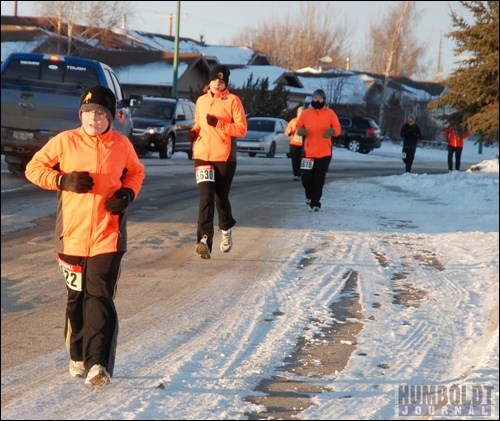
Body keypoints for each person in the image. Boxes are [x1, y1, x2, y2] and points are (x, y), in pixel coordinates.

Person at [25, 85, 145, 386]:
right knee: (76, 298)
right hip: (71, 236)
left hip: (109, 235)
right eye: (89, 112)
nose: (94, 118)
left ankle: (98, 365)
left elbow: (136, 173)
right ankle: (77, 354)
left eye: (101, 113)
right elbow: (33, 168)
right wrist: (62, 179)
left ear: (111, 118)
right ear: (81, 114)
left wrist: (128, 194)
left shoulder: (122, 145)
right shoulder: (65, 142)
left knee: (100, 297)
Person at [189, 65, 247, 259]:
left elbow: (241, 129)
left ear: (226, 83)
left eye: (222, 81)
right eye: (215, 79)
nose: (218, 83)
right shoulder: (201, 100)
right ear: (210, 80)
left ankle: (226, 227)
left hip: (225, 156)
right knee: (206, 196)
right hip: (203, 154)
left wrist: (219, 124)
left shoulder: (233, 101)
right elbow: (199, 123)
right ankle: (204, 240)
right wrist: (194, 132)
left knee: (220, 197)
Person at [295, 89, 341, 212]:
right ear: (312, 99)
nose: (317, 100)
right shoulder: (306, 113)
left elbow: (337, 128)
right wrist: (301, 131)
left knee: (319, 178)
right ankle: (309, 195)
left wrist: (332, 131)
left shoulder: (330, 113)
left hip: (324, 153)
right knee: (306, 177)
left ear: (324, 99)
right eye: (315, 97)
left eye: (320, 98)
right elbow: (298, 126)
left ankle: (316, 202)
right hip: (308, 153)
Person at [286, 106, 304, 181]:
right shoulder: (293, 121)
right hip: (294, 144)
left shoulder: (308, 122)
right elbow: (287, 130)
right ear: (297, 113)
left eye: (302, 113)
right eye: (300, 113)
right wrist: (289, 132)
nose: (301, 114)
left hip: (305, 145)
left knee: (305, 160)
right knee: (295, 160)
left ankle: (305, 173)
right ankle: (296, 174)